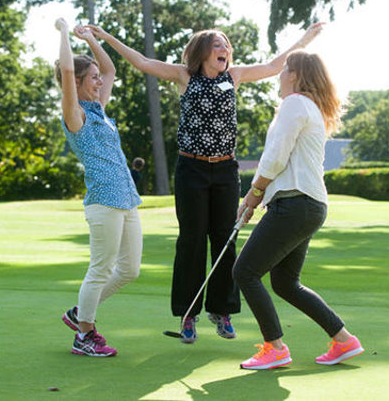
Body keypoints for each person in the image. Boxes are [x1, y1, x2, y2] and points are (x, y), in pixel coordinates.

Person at [85, 22, 323, 344]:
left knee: (225, 239)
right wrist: (106, 37)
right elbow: (141, 62)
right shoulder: (185, 76)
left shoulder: (234, 76)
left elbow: (274, 65)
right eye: (217, 45)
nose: (224, 49)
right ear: (202, 52)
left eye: (226, 45)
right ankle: (188, 314)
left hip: (225, 170)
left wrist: (307, 38)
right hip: (191, 170)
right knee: (191, 241)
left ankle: (221, 311)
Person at [232, 50, 364, 369]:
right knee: (285, 283)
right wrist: (260, 197)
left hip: (296, 204)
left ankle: (274, 347)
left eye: (285, 69)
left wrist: (253, 192)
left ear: (296, 75)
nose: (279, 75)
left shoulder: (294, 104)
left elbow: (276, 157)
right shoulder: (310, 107)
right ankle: (344, 340)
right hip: (308, 205)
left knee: (245, 271)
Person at [54, 18, 142, 357]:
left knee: (129, 269)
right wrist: (64, 32)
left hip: (126, 199)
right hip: (103, 202)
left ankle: (79, 313)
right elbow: (66, 71)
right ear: (77, 83)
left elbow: (110, 69)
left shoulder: (99, 109)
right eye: (91, 78)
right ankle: (84, 334)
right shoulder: (75, 113)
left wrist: (92, 39)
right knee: (101, 267)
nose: (99, 80)